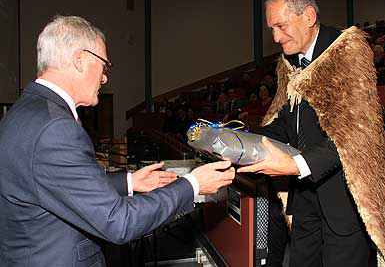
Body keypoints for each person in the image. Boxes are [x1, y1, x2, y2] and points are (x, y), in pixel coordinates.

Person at [0, 15, 235, 267]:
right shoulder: (55, 127)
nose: (104, 78)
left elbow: (56, 182)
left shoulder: (26, 110)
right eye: (104, 65)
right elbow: (118, 222)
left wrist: (129, 182)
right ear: (80, 60)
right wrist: (192, 185)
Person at [238, 0, 385, 267]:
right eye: (271, 28)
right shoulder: (290, 62)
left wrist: (295, 165)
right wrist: (241, 140)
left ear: (308, 16)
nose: (275, 37)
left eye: (281, 26)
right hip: (305, 195)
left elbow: (356, 134)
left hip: (345, 197)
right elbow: (286, 123)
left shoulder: (346, 51)